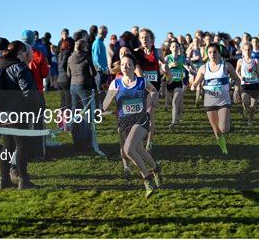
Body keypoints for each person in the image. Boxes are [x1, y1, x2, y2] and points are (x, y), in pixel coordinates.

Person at [102, 54, 162, 198]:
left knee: (128, 150)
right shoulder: (115, 84)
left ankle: (147, 180)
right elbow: (104, 106)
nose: (125, 67)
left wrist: (151, 102)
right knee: (140, 151)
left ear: (134, 67)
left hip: (140, 119)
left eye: (128, 64)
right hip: (124, 122)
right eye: (123, 65)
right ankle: (156, 168)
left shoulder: (142, 81)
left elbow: (154, 91)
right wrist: (111, 96)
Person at [0, 40, 42, 190]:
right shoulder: (19, 68)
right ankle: (24, 180)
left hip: (2, 113)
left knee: (7, 146)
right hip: (17, 112)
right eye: (25, 52)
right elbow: (28, 92)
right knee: (22, 145)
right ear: (20, 52)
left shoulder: (2, 65)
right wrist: (35, 109)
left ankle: (4, 180)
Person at [191, 43, 241, 154]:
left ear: (219, 53)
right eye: (209, 52)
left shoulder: (226, 66)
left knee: (223, 128)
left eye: (214, 52)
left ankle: (228, 122)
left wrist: (236, 90)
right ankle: (224, 150)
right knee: (216, 130)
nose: (212, 54)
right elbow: (196, 82)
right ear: (207, 54)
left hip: (223, 99)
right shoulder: (203, 68)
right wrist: (193, 85)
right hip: (209, 100)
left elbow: (237, 79)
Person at [22, 30, 49, 159]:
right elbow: (45, 73)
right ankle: (39, 152)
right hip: (37, 92)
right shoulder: (38, 54)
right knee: (38, 123)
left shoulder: (18, 54)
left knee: (24, 123)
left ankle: (25, 152)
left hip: (22, 95)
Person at [67, 39, 96, 150]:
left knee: (75, 113)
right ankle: (87, 139)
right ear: (84, 47)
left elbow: (69, 73)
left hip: (72, 86)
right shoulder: (86, 57)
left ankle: (76, 138)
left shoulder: (70, 58)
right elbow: (93, 73)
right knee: (87, 113)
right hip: (84, 85)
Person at [236, 43, 259, 125]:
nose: (247, 51)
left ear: (251, 50)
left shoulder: (255, 61)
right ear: (242, 50)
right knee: (245, 102)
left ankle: (250, 120)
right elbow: (237, 71)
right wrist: (240, 78)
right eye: (245, 49)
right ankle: (244, 109)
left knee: (253, 106)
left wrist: (255, 70)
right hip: (245, 84)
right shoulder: (240, 61)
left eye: (249, 49)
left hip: (254, 84)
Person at [165, 40, 186, 129]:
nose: (175, 48)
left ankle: (173, 122)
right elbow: (162, 69)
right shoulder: (167, 58)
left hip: (178, 82)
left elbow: (186, 66)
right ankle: (178, 114)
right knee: (170, 102)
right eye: (173, 46)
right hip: (169, 82)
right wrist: (169, 66)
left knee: (174, 102)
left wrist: (190, 70)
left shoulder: (182, 57)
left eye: (176, 46)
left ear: (178, 48)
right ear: (170, 48)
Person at [92, 25, 109, 100]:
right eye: (105, 32)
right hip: (100, 71)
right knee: (100, 90)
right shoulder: (98, 42)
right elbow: (96, 58)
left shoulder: (101, 42)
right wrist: (102, 69)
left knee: (102, 90)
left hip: (103, 70)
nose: (106, 33)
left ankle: (102, 107)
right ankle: (100, 108)